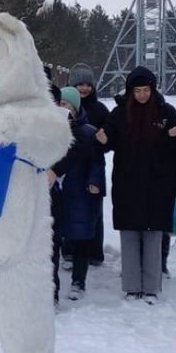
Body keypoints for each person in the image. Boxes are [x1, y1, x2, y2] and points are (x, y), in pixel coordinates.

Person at [95, 66, 176, 303]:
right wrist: (104, 138)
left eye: (145, 90)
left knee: (153, 236)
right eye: (137, 90)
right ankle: (131, 286)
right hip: (127, 182)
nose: (142, 95)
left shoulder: (166, 112)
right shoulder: (119, 113)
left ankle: (150, 288)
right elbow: (108, 140)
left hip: (158, 184)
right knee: (129, 235)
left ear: (153, 89)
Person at [50, 87, 104, 303]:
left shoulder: (87, 132)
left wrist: (94, 181)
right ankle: (52, 286)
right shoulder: (49, 132)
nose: (62, 108)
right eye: (59, 104)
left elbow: (96, 161)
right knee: (54, 238)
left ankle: (78, 281)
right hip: (56, 192)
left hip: (79, 191)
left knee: (81, 236)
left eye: (66, 105)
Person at [69, 62, 110, 266]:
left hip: (93, 165)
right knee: (69, 209)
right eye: (80, 84)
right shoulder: (65, 107)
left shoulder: (100, 109)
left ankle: (95, 252)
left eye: (88, 84)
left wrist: (105, 141)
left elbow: (110, 137)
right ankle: (69, 251)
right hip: (70, 165)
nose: (84, 88)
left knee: (94, 211)